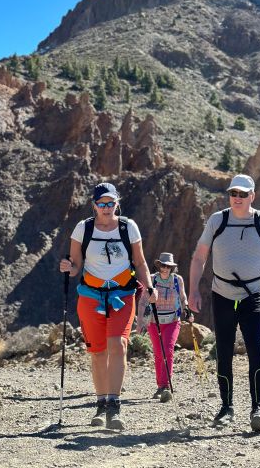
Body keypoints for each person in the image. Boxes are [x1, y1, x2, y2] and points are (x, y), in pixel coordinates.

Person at [188, 174, 260, 433]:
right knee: (223, 350)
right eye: (234, 193)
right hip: (221, 294)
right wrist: (193, 290)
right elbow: (199, 257)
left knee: (256, 349)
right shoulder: (217, 220)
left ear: (252, 196)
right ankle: (226, 408)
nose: (238, 198)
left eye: (244, 194)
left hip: (254, 294)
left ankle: (257, 409)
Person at [60, 182, 157, 431]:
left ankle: (114, 405)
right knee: (98, 352)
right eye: (101, 203)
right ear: (94, 205)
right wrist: (68, 267)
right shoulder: (83, 229)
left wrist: (148, 286)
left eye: (110, 203)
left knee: (119, 344)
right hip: (91, 296)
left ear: (117, 203)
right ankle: (101, 404)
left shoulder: (128, 227)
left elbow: (140, 261)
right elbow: (76, 266)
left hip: (122, 294)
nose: (106, 208)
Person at [136, 252, 191, 403]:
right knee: (159, 353)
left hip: (173, 320)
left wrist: (187, 309)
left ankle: (166, 386)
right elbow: (142, 302)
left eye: (168, 266)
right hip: (155, 321)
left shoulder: (177, 280)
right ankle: (160, 386)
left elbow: (183, 297)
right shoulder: (151, 280)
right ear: (159, 265)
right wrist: (140, 322)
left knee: (168, 350)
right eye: (163, 265)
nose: (165, 268)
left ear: (172, 267)